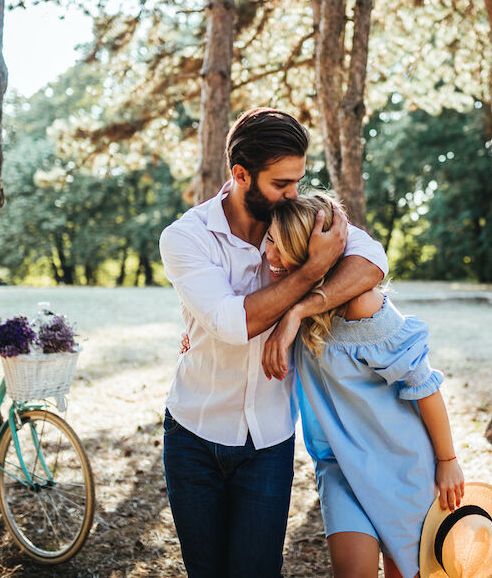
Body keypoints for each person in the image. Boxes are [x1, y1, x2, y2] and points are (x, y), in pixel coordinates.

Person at [158, 108, 388, 577]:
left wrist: (299, 310)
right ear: (241, 175)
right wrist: (309, 270)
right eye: (281, 183)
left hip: (269, 440)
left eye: (298, 181)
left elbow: (372, 259)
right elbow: (230, 322)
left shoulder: (300, 218)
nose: (293, 193)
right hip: (194, 438)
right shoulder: (186, 237)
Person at [261, 191, 465, 578]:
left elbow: (424, 384)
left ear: (312, 254)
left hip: (400, 465)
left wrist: (448, 461)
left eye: (281, 246)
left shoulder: (362, 305)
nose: (269, 254)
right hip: (339, 467)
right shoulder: (288, 298)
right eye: (269, 239)